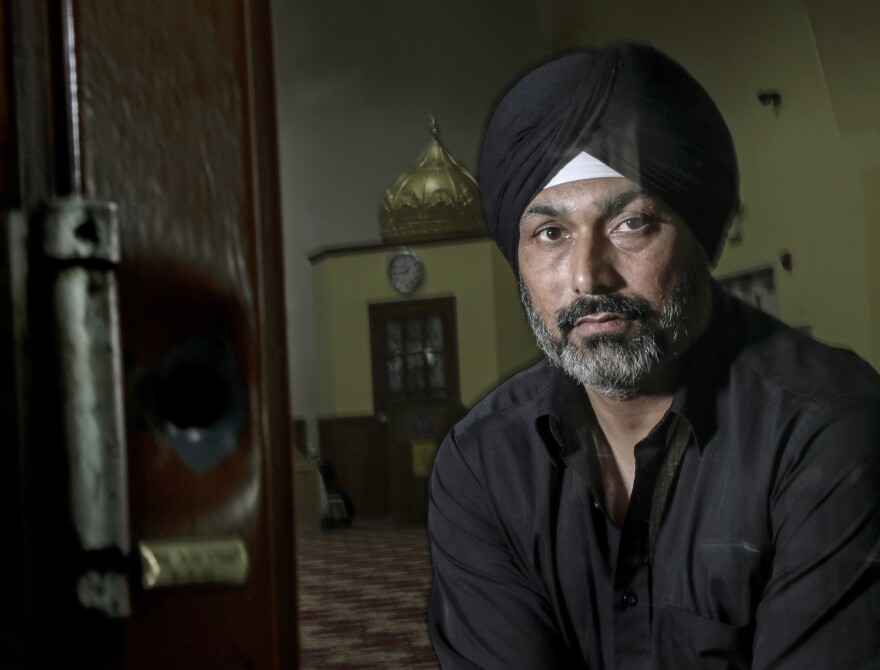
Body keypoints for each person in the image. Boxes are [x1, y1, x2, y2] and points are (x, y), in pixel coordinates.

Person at [427, 43, 880, 669]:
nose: (588, 277)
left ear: (700, 233)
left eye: (631, 224)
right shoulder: (482, 463)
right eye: (551, 234)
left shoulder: (826, 431)